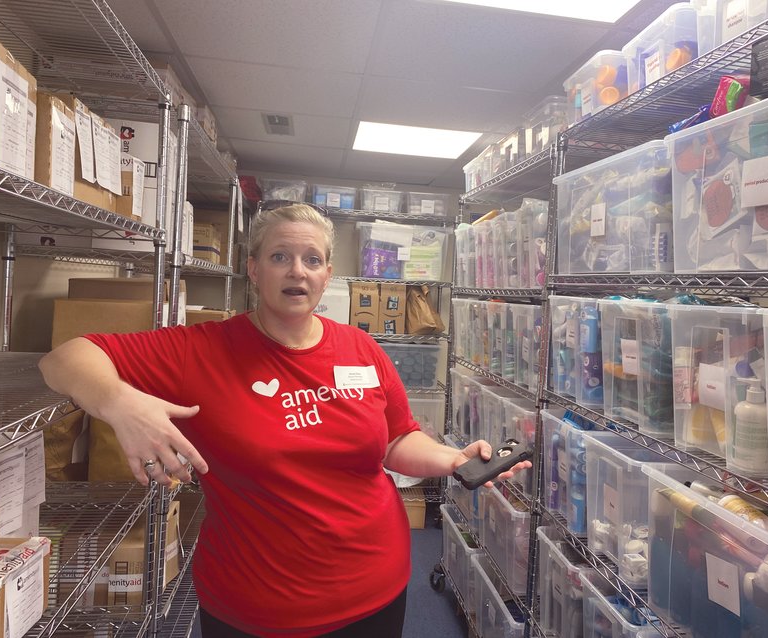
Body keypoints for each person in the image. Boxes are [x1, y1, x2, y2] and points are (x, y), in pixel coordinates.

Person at [39, 203, 531, 638]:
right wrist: (123, 404)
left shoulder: (360, 348)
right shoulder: (201, 349)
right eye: (280, 257)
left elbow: (395, 439)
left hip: (376, 584)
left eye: (312, 259)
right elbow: (64, 358)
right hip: (256, 604)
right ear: (253, 269)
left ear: (327, 273)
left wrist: (452, 459)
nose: (297, 271)